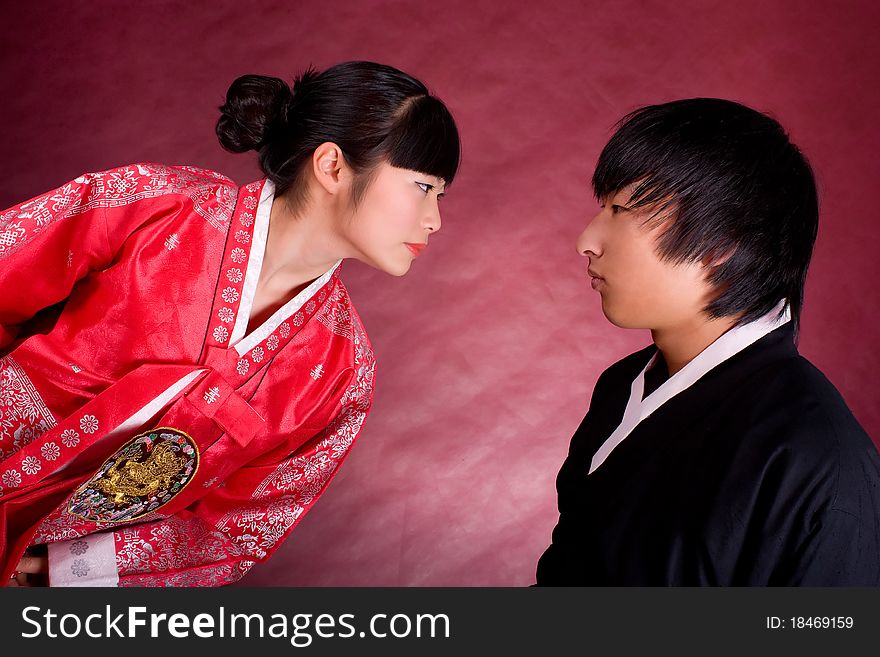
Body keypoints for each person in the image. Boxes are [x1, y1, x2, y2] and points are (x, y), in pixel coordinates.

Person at [0, 61, 460, 586]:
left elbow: (238, 529)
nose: (435, 220)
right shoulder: (161, 206)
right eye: (423, 187)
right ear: (332, 166)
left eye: (440, 195)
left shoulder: (339, 376)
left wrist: (69, 571)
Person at [536, 98, 880, 585]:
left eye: (619, 209)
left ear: (723, 240)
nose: (586, 240)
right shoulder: (621, 388)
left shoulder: (815, 456)